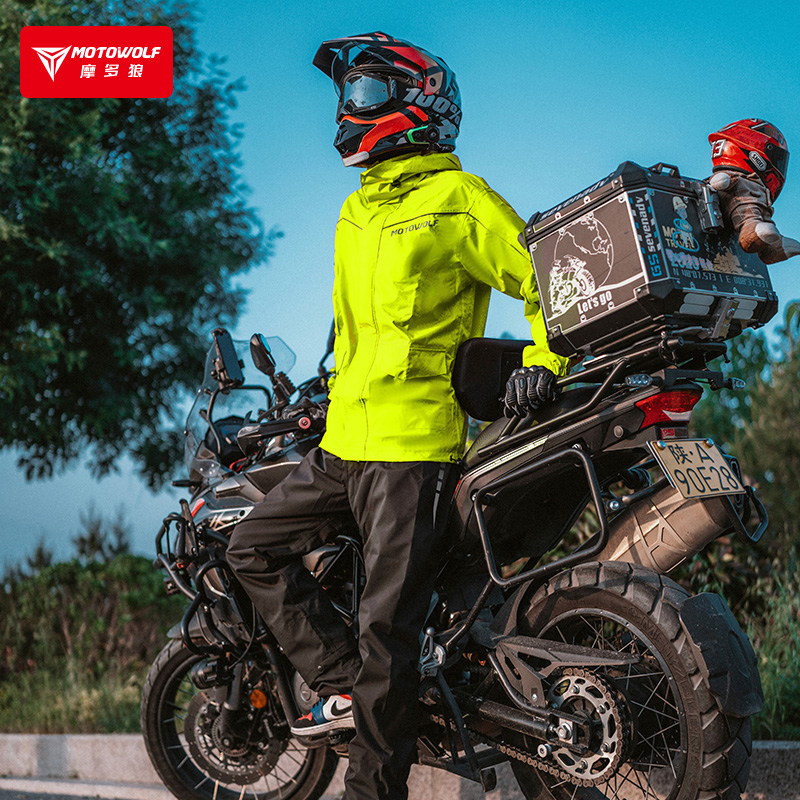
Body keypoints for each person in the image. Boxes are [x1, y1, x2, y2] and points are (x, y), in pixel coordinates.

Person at [226, 32, 571, 800]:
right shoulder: (356, 212)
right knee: (251, 548)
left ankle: (371, 788)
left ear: (420, 102)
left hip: (413, 453)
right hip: (342, 446)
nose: (353, 109)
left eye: (370, 92)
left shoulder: (461, 199)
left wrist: (543, 365)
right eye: (350, 95)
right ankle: (344, 681)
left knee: (390, 634)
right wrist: (321, 404)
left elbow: (550, 283)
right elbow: (355, 337)